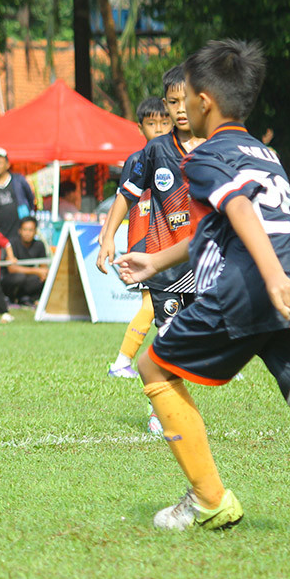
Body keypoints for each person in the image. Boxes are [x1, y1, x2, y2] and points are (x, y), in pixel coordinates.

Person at [115, 39, 290, 531]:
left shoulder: (206, 155)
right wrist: (156, 261)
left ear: (203, 102)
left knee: (153, 367)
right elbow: (221, 226)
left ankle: (209, 500)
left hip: (256, 278)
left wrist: (271, 276)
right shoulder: (264, 152)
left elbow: (239, 208)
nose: (180, 108)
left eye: (185, 96)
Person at [98, 65, 206, 338]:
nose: (180, 109)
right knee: (170, 336)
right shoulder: (155, 150)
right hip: (164, 264)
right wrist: (108, 237)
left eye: (186, 101)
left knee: (204, 335)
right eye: (173, 102)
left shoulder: (215, 146)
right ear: (165, 104)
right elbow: (126, 194)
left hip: (204, 261)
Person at [100, 97, 173, 381]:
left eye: (164, 122)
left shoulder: (177, 156)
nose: (159, 128)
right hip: (144, 241)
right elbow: (124, 197)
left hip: (169, 244)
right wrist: (108, 234)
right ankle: (122, 361)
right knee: (150, 305)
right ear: (140, 127)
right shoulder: (137, 160)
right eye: (152, 123)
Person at [0, 146, 35, 239]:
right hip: (1, 236)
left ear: (7, 165)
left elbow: (30, 198)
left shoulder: (18, 180)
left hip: (21, 236)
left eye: (0, 163)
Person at [2, 216, 47, 307]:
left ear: (35, 232)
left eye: (30, 230)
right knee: (19, 277)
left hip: (28, 279)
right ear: (19, 231)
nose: (27, 233)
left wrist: (44, 273)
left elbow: (43, 267)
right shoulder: (12, 243)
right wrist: (36, 271)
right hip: (10, 279)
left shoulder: (39, 245)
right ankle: (10, 298)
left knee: (44, 277)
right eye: (25, 230)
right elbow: (12, 269)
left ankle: (28, 298)